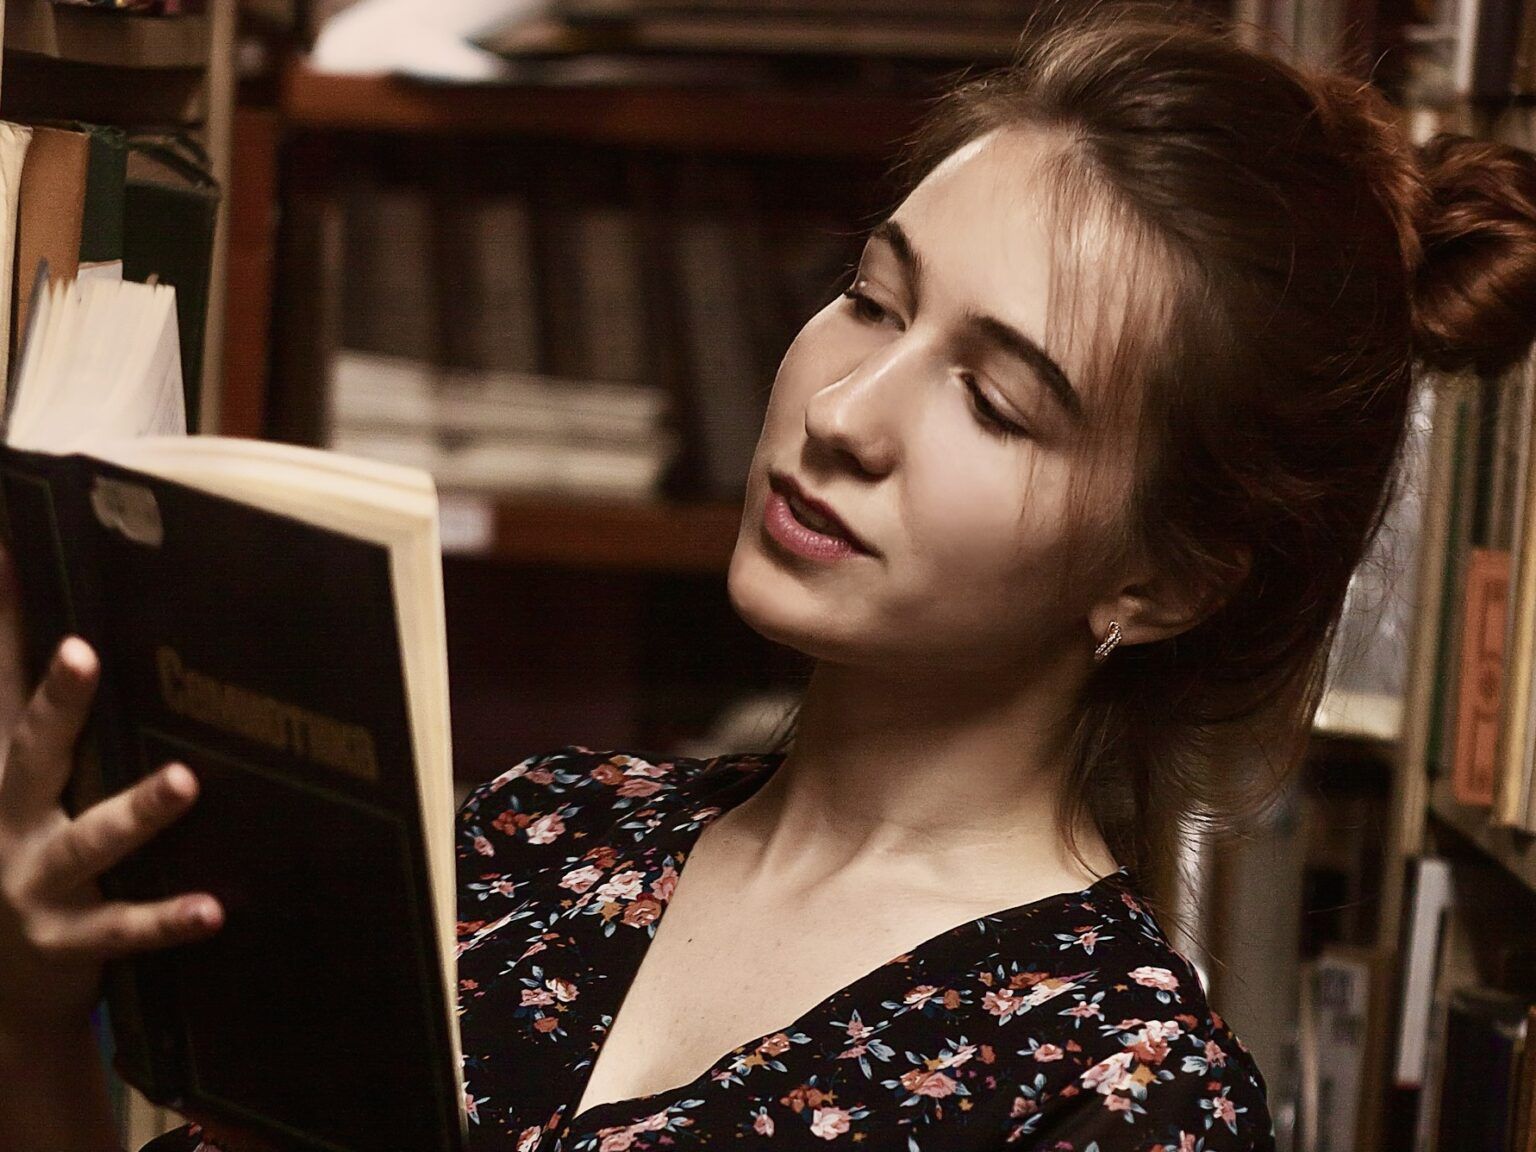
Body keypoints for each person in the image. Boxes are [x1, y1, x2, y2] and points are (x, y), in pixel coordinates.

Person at [6, 1, 1536, 1148]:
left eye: (997, 403)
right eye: (872, 300)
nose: (842, 411)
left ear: (1171, 579)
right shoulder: (537, 837)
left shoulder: (1114, 1097)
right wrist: (25, 1014)